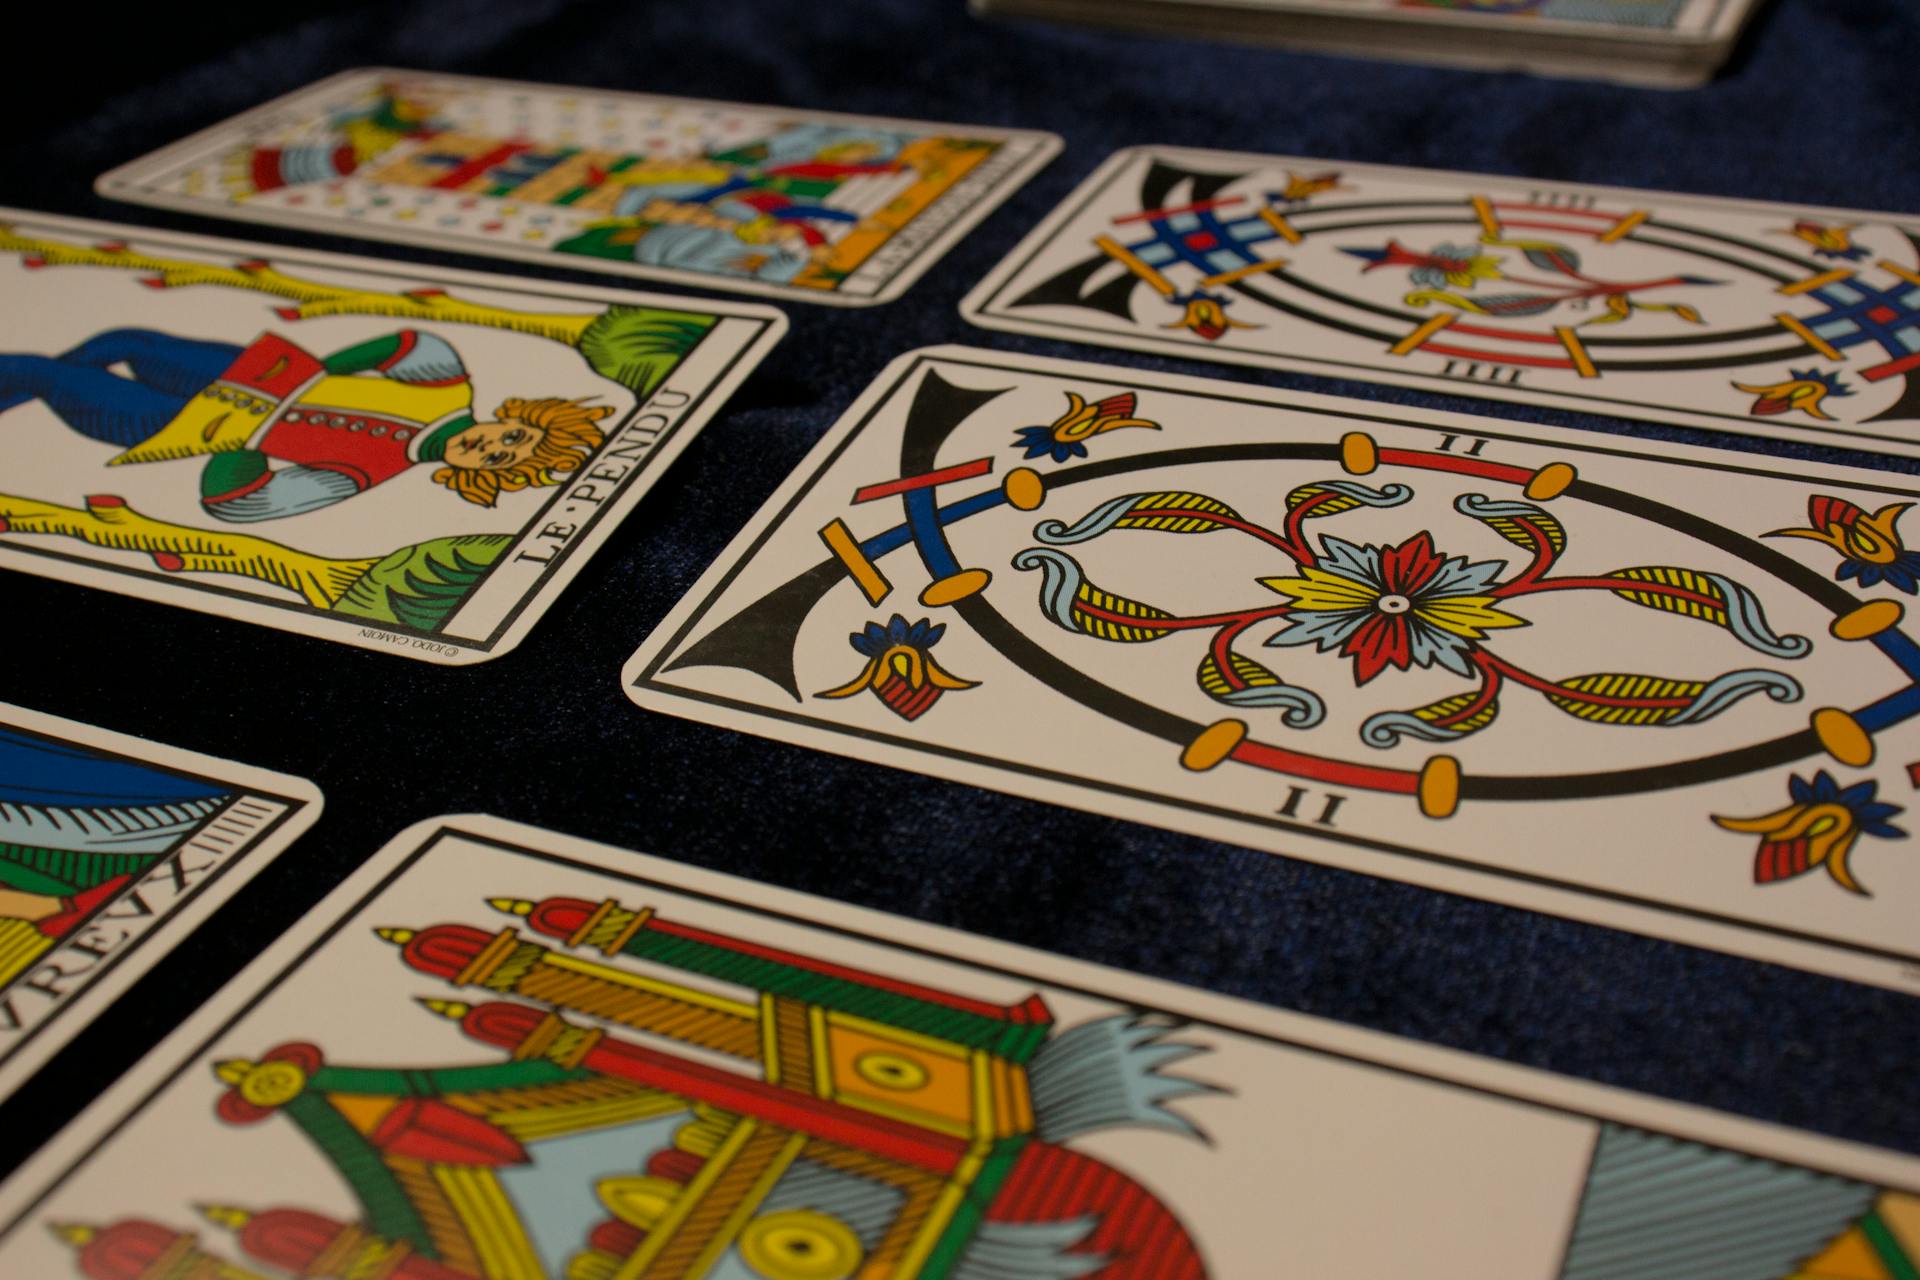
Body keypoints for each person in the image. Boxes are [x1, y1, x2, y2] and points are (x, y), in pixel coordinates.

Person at [0, 327, 612, 520]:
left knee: (34, 370)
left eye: (499, 460)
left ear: (476, 475)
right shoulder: (449, 389)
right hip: (245, 370)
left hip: (170, 423)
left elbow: (236, 503)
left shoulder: (364, 474)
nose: (491, 446)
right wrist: (320, 371)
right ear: (515, 416)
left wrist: (245, 443)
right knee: (122, 338)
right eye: (512, 437)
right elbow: (409, 341)